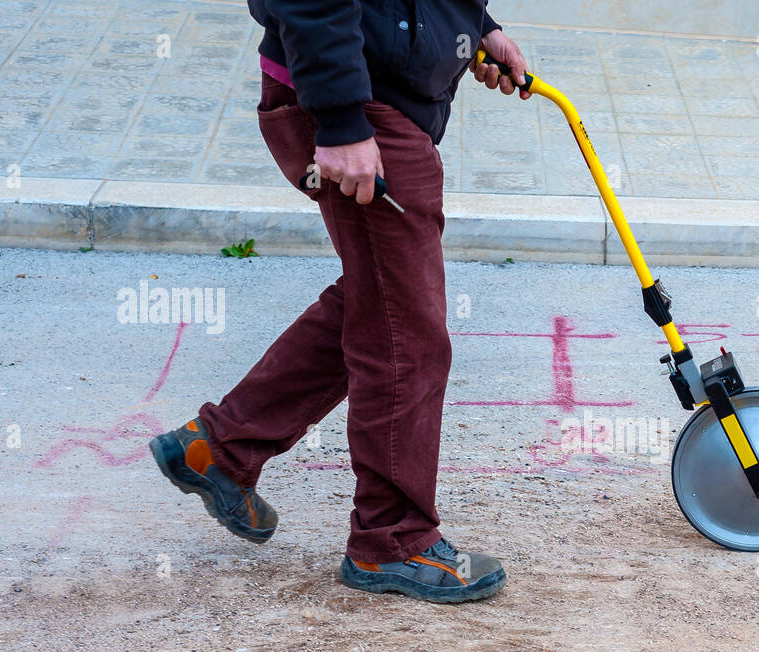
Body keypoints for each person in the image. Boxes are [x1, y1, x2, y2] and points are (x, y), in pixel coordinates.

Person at [149, 1, 528, 604]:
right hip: (354, 104)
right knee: (410, 331)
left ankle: (217, 448)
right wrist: (343, 119)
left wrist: (474, 26)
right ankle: (392, 541)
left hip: (375, 95)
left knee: (383, 300)